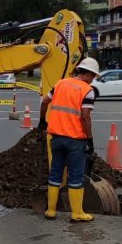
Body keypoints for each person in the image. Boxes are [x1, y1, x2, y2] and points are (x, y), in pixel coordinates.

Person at [39, 57, 100, 222]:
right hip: (75, 140)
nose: (93, 80)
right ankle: (77, 213)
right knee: (76, 175)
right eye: (93, 76)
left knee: (55, 173)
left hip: (56, 138)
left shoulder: (60, 84)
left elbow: (44, 102)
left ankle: (51, 210)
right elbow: (85, 116)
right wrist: (90, 138)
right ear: (88, 74)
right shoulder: (87, 90)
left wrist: (42, 121)